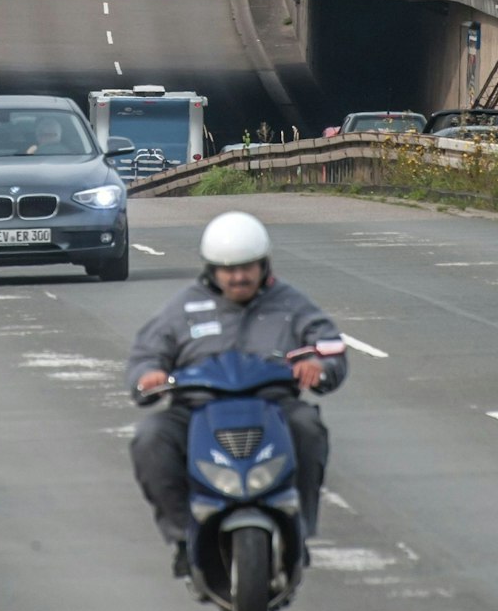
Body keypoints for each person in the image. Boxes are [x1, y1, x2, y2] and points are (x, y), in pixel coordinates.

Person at [127, 212, 346, 578]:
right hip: (198, 409)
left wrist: (317, 367)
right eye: (228, 270)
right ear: (212, 270)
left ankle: (300, 529)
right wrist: (148, 376)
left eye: (248, 268)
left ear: (264, 265)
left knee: (308, 426)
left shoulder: (291, 303)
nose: (239, 277)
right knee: (150, 437)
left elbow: (328, 347)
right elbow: (146, 354)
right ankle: (184, 535)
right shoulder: (183, 307)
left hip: (272, 405)